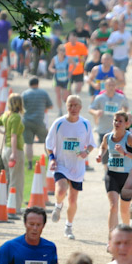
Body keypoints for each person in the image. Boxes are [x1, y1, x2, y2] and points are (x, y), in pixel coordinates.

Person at [46, 95, 96, 240]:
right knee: (61, 190)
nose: (73, 108)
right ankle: (58, 205)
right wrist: (52, 159)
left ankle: (68, 226)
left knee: (73, 200)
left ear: (80, 107)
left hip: (77, 167)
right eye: (70, 105)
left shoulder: (85, 124)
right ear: (66, 107)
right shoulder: (59, 123)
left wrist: (86, 152)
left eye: (76, 105)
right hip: (61, 164)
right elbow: (49, 144)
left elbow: (92, 144)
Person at [96, 111, 132, 234]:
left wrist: (125, 153)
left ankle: (127, 235)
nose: (117, 123)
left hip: (127, 177)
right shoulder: (107, 137)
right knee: (113, 206)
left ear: (126, 123)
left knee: (124, 210)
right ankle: (111, 238)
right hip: (111, 174)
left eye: (120, 121)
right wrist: (100, 155)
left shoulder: (129, 138)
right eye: (115, 120)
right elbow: (103, 146)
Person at [0, 93, 25, 213]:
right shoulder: (16, 117)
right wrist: (14, 153)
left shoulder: (5, 115)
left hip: (5, 148)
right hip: (15, 149)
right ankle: (14, 207)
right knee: (17, 180)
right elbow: (15, 136)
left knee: (9, 179)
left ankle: (6, 204)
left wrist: (3, 133)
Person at [89, 78, 129, 168]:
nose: (111, 87)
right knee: (104, 149)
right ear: (105, 86)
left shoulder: (121, 97)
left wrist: (124, 113)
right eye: (109, 85)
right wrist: (96, 112)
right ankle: (106, 170)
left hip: (116, 129)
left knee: (114, 149)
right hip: (102, 127)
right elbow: (91, 108)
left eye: (113, 85)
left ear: (116, 86)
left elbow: (126, 107)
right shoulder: (99, 98)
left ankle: (112, 169)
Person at [21, 77, 53, 170]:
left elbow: (21, 107)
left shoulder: (25, 94)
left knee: (28, 143)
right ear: (38, 84)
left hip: (27, 121)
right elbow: (50, 105)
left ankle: (30, 164)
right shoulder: (43, 93)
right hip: (39, 121)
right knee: (47, 141)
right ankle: (50, 159)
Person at [48, 44, 76, 116]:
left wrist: (70, 72)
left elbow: (74, 64)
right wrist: (53, 70)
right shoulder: (55, 59)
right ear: (58, 51)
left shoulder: (67, 59)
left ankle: (68, 108)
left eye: (64, 50)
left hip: (65, 79)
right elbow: (50, 68)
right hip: (57, 79)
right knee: (58, 95)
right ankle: (60, 110)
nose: (62, 52)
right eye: (61, 50)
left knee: (65, 96)